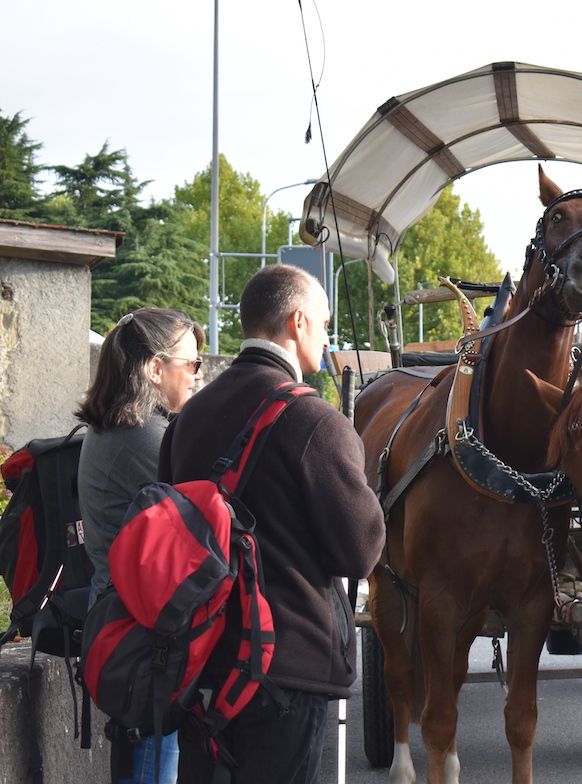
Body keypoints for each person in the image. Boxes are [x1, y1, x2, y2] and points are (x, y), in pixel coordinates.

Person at [160, 265, 385, 783]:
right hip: (286, 663)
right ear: (297, 322)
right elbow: (360, 552)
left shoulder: (188, 418)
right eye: (324, 324)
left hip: (200, 658)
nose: (328, 339)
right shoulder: (316, 421)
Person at [77, 307, 206, 784]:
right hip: (141, 632)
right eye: (191, 364)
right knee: (154, 756)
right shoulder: (144, 437)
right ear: (155, 368)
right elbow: (208, 510)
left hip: (125, 619)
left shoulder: (120, 427)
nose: (198, 375)